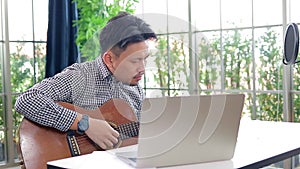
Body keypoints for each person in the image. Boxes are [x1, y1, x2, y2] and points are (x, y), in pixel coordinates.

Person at [15, 11, 157, 150]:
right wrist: (85, 123)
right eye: (135, 61)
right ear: (109, 59)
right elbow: (27, 100)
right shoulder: (80, 76)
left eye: (145, 59)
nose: (143, 68)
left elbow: (138, 137)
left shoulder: (135, 87)